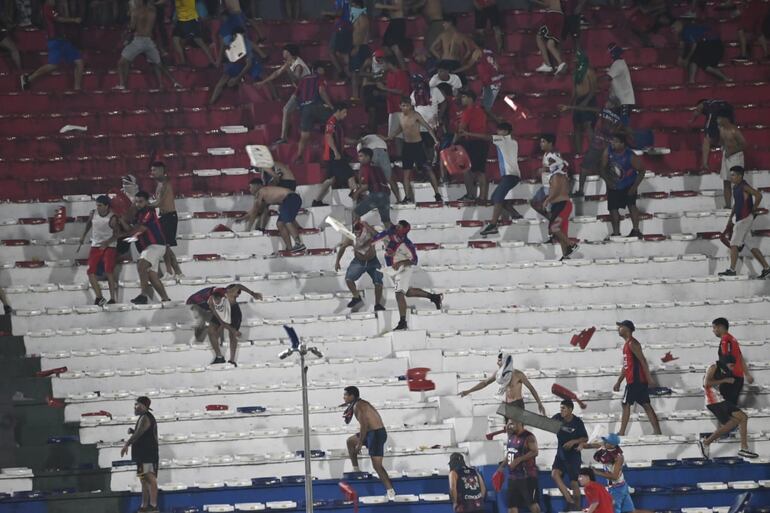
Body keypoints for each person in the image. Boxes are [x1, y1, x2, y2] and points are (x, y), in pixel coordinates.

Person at [372, 220, 442, 330]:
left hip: (404, 269)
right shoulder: (389, 234)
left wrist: (401, 262)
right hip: (393, 271)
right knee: (407, 292)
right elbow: (376, 236)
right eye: (397, 225)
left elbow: (414, 260)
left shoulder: (407, 244)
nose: (396, 227)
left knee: (399, 294)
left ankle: (403, 322)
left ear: (403, 230)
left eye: (399, 227)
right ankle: (434, 297)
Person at [699, 355, 758, 459]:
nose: (732, 368)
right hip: (713, 401)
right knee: (743, 417)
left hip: (720, 400)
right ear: (726, 363)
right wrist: (725, 380)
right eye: (731, 365)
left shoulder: (725, 370)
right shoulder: (713, 367)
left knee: (734, 422)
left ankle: (706, 442)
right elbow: (706, 383)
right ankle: (744, 448)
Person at [343, 386, 396, 500]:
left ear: (352, 396)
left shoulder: (358, 406)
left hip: (376, 434)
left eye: (346, 395)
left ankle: (390, 491)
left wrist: (360, 443)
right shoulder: (358, 403)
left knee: (377, 466)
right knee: (350, 441)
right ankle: (356, 469)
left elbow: (364, 425)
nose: (344, 397)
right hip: (371, 433)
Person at [469, 122, 522, 236]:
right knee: (494, 197)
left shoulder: (502, 140)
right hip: (513, 175)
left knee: (497, 197)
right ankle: (514, 213)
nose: (498, 133)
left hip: (510, 175)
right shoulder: (513, 141)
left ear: (506, 132)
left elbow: (486, 137)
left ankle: (493, 225)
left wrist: (468, 133)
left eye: (500, 131)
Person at [186, 283, 261, 364]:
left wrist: (253, 293)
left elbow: (239, 286)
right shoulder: (211, 302)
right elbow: (221, 320)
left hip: (234, 312)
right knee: (211, 332)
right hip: (220, 313)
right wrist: (230, 329)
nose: (217, 303)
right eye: (216, 301)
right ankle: (219, 357)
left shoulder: (229, 291)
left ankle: (232, 360)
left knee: (232, 335)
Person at [20, 0, 84, 91]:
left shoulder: (54, 8)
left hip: (64, 41)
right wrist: (74, 20)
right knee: (52, 65)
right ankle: (28, 78)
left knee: (79, 62)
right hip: (55, 41)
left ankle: (77, 89)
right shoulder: (47, 8)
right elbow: (58, 19)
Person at [718, 166, 770, 278]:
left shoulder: (744, 186)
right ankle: (767, 268)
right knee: (751, 246)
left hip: (744, 219)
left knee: (734, 244)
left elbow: (758, 195)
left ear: (740, 176)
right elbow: (736, 204)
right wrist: (730, 217)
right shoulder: (736, 187)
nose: (731, 177)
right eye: (731, 175)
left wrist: (754, 208)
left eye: (733, 175)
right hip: (741, 218)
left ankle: (732, 270)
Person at [612, 320, 662, 435]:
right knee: (646, 405)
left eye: (621, 326)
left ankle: (621, 432)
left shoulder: (632, 343)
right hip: (635, 380)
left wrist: (649, 378)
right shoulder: (627, 345)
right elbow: (626, 366)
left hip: (635, 380)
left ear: (627, 328)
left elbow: (643, 360)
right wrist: (619, 381)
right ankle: (657, 431)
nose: (618, 328)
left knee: (625, 404)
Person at [458, 352, 547, 416]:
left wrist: (539, 403)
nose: (497, 363)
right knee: (510, 431)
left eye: (499, 361)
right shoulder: (498, 374)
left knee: (517, 429)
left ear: (505, 361)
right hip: (507, 404)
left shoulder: (518, 374)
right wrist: (468, 391)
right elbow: (485, 383)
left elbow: (531, 388)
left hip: (518, 404)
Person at [582, 433, 653, 513]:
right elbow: (590, 446)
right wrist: (581, 445)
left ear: (612, 445)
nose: (604, 442)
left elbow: (615, 476)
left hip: (616, 488)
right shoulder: (605, 446)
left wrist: (596, 472)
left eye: (606, 442)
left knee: (613, 511)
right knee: (631, 511)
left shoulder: (618, 457)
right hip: (622, 486)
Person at [117, 0, 179, 90]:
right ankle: (174, 82)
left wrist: (127, 30)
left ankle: (122, 85)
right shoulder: (153, 10)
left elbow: (132, 27)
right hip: (149, 41)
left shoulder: (136, 11)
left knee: (121, 63)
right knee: (159, 64)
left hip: (138, 41)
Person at [390, 97, 442, 204]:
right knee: (406, 173)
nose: (405, 108)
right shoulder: (399, 116)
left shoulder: (416, 115)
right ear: (400, 106)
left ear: (410, 106)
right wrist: (392, 136)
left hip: (417, 146)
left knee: (428, 169)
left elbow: (428, 127)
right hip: (407, 146)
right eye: (403, 106)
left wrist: (435, 140)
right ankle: (407, 197)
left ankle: (437, 194)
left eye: (407, 105)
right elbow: (401, 128)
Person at [125, 191, 171, 305]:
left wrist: (122, 234)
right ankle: (166, 299)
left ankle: (143, 295)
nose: (138, 204)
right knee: (151, 275)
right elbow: (131, 227)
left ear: (146, 201)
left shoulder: (149, 211)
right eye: (136, 202)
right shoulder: (138, 214)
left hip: (156, 245)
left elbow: (140, 228)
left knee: (141, 264)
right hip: (151, 247)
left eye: (141, 202)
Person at [238, 178, 305, 253]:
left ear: (257, 186)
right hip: (292, 200)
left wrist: (248, 229)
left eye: (250, 187)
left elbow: (255, 211)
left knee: (287, 221)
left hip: (291, 198)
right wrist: (242, 218)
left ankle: (299, 244)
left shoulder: (262, 191)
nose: (249, 190)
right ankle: (289, 248)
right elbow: (254, 210)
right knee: (280, 224)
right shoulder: (265, 194)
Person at [263, 44, 310, 143]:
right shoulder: (290, 62)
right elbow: (277, 73)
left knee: (289, 110)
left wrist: (288, 70)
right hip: (300, 91)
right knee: (287, 109)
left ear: (288, 53)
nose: (282, 53)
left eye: (284, 51)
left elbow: (296, 80)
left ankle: (286, 137)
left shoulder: (298, 65)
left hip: (307, 92)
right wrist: (263, 82)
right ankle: (283, 138)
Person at [77, 195, 119, 306]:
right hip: (96, 244)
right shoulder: (93, 213)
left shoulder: (112, 217)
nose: (98, 207)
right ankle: (99, 297)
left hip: (110, 245)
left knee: (109, 271)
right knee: (90, 271)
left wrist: (107, 243)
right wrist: (83, 236)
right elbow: (88, 224)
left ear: (106, 206)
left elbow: (116, 234)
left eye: (100, 205)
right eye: (97, 205)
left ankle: (112, 298)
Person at [335, 221, 385, 312]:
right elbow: (343, 247)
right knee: (348, 279)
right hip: (359, 261)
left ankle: (378, 304)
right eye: (355, 232)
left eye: (359, 232)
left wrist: (368, 226)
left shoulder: (369, 233)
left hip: (372, 261)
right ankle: (356, 297)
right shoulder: (351, 237)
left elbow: (380, 236)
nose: (357, 234)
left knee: (378, 282)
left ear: (362, 230)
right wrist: (337, 261)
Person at [601, 133, 644, 238]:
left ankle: (636, 230)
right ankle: (616, 233)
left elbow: (642, 171)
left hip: (628, 184)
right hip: (614, 184)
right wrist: (608, 181)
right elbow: (602, 168)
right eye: (612, 141)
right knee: (613, 209)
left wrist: (634, 188)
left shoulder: (630, 155)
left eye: (615, 141)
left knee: (631, 205)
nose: (612, 143)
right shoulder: (608, 151)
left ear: (622, 144)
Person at [313, 103, 356, 206]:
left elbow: (342, 139)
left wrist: (355, 142)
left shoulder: (337, 123)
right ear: (338, 111)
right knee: (350, 175)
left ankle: (316, 201)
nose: (345, 115)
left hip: (335, 154)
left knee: (330, 180)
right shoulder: (331, 122)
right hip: (334, 155)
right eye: (344, 112)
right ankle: (357, 199)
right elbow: (328, 137)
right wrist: (336, 152)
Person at [120, 397, 159, 513]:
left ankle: (153, 505)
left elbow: (138, 434)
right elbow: (142, 433)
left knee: (149, 478)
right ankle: (144, 506)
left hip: (147, 454)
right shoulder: (144, 418)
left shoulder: (146, 417)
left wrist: (127, 444)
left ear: (143, 406)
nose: (135, 407)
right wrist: (133, 431)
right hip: (143, 454)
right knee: (144, 479)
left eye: (136, 404)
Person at [293, 62, 335, 163]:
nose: (325, 71)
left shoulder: (304, 79)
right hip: (317, 106)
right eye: (323, 68)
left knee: (304, 136)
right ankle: (332, 153)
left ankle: (299, 157)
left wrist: (301, 108)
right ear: (319, 69)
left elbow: (295, 96)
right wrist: (330, 106)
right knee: (334, 122)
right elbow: (321, 91)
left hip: (305, 109)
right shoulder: (319, 77)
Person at [551, 400, 588, 512]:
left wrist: (573, 441)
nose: (561, 410)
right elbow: (547, 424)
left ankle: (577, 507)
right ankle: (570, 501)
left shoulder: (577, 422)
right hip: (561, 454)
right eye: (560, 408)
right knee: (554, 474)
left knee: (573, 482)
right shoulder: (557, 417)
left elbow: (585, 438)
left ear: (570, 410)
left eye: (563, 408)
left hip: (573, 456)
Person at [149, 162, 183, 278]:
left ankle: (170, 272)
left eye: (155, 170)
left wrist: (143, 206)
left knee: (165, 246)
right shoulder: (159, 184)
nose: (152, 172)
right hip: (163, 217)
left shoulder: (165, 184)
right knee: (164, 246)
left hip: (169, 217)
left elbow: (159, 203)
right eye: (152, 170)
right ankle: (177, 272)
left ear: (162, 171)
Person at [499, 419, 541, 513]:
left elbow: (535, 451)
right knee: (511, 506)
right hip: (512, 477)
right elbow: (510, 453)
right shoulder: (511, 436)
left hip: (527, 477)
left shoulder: (528, 436)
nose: (510, 426)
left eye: (512, 424)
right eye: (508, 424)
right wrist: (501, 467)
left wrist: (519, 459)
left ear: (519, 423)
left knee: (532, 504)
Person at [455, 90, 489, 202]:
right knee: (480, 171)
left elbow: (461, 129)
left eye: (464, 96)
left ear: (470, 98)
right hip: (483, 142)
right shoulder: (481, 110)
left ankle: (470, 195)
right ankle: (483, 196)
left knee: (467, 170)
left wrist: (453, 143)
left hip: (473, 143)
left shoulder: (468, 111)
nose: (462, 99)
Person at [712, 317, 755, 406]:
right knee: (732, 407)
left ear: (720, 327)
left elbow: (727, 361)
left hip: (731, 379)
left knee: (727, 409)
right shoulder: (733, 339)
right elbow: (740, 357)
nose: (713, 330)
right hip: (738, 378)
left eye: (714, 327)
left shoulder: (725, 340)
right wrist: (747, 374)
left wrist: (721, 378)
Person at [672, 20, 731, 84]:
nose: (673, 31)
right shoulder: (683, 33)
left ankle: (724, 77)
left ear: (679, 26)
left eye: (674, 28)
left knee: (696, 58)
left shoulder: (686, 30)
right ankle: (691, 80)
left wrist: (686, 59)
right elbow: (682, 45)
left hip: (713, 44)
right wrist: (680, 57)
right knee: (699, 62)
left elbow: (694, 45)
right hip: (710, 45)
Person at [544, 157, 576, 260]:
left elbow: (555, 190)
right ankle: (566, 254)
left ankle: (571, 244)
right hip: (563, 205)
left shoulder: (556, 176)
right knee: (562, 232)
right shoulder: (563, 176)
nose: (549, 164)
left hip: (562, 205)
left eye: (551, 162)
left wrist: (547, 200)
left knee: (554, 228)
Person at [352, 148, 392, 227]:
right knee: (386, 221)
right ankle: (394, 237)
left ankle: (354, 235)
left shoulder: (365, 168)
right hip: (386, 196)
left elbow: (365, 186)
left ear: (368, 157)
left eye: (361, 156)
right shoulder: (377, 166)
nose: (359, 158)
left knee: (355, 213)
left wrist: (356, 193)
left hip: (376, 195)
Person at [531, 134, 566, 219]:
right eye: (540, 142)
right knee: (534, 203)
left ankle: (553, 221)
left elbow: (561, 167)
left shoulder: (554, 153)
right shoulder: (546, 154)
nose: (541, 144)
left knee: (552, 208)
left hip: (552, 187)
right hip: (545, 186)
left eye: (543, 142)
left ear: (550, 143)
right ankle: (550, 218)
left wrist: (545, 169)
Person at [359, 133, 401, 202]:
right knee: (390, 178)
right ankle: (399, 200)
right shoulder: (377, 135)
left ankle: (371, 200)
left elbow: (362, 158)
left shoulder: (361, 141)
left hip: (371, 151)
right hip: (383, 150)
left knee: (373, 179)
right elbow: (388, 139)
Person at [570, 50, 598, 156]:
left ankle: (593, 152)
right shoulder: (575, 72)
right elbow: (574, 90)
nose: (574, 60)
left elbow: (594, 88)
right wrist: (570, 104)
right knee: (576, 126)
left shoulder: (589, 71)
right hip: (578, 100)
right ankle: (578, 152)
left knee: (588, 125)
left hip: (589, 99)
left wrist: (586, 101)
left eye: (576, 58)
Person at [172, 0, 215, 66]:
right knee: (175, 40)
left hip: (190, 20)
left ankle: (212, 61)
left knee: (199, 41)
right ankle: (183, 62)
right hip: (180, 21)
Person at [717, 115, 746, 209]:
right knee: (726, 181)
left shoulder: (734, 130)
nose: (717, 120)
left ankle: (740, 206)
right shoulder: (720, 129)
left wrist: (732, 151)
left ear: (725, 118)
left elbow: (744, 145)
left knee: (737, 182)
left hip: (736, 156)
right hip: (726, 156)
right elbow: (722, 142)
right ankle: (728, 206)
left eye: (719, 118)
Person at [534, 0, 567, 75]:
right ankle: (561, 64)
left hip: (552, 15)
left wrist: (535, 2)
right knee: (550, 44)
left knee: (539, 37)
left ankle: (547, 64)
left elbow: (547, 4)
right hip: (560, 16)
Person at [606, 44, 635, 124]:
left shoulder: (618, 63)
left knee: (623, 125)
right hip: (620, 100)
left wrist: (594, 82)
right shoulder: (619, 63)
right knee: (617, 125)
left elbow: (607, 78)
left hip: (624, 101)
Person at [348, 0, 371, 100]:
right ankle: (360, 96)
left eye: (352, 5)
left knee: (355, 73)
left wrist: (356, 47)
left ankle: (356, 96)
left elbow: (360, 33)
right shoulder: (362, 16)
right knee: (360, 73)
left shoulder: (361, 17)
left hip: (360, 47)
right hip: (362, 47)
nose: (350, 7)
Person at [375, 0, 407, 69]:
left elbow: (398, 7)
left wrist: (382, 6)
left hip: (398, 22)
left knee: (395, 47)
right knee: (385, 47)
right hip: (393, 22)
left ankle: (404, 72)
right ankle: (395, 69)